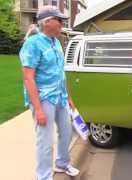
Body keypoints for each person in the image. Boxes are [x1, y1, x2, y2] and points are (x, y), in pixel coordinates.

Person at [19, 6, 79, 180]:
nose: (62, 23)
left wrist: (70, 98)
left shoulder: (56, 42)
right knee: (45, 141)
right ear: (47, 22)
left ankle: (62, 164)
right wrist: (38, 109)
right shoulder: (32, 44)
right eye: (59, 20)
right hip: (44, 99)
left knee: (67, 132)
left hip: (61, 96)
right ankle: (44, 176)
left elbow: (61, 73)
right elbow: (28, 78)